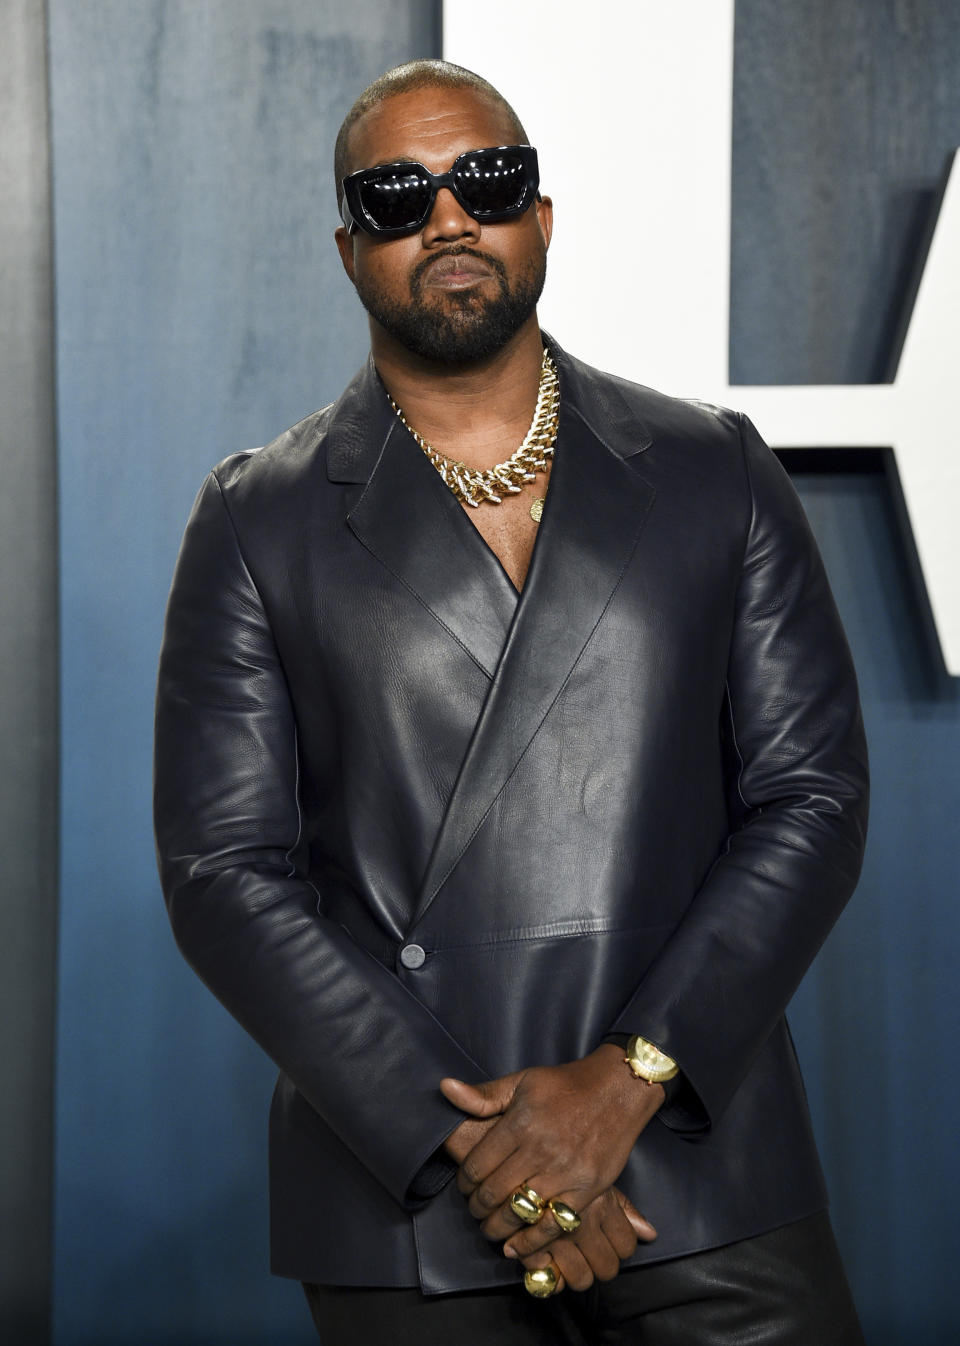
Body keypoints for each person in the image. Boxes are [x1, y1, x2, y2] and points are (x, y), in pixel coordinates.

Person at [154, 59, 869, 1345]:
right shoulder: (258, 518)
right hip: (410, 1187)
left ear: (540, 215)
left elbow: (809, 797)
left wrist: (625, 1078)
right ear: (347, 246)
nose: (447, 217)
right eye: (396, 195)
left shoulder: (716, 470)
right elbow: (223, 869)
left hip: (701, 1159)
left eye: (485, 180)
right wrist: (479, 1142)